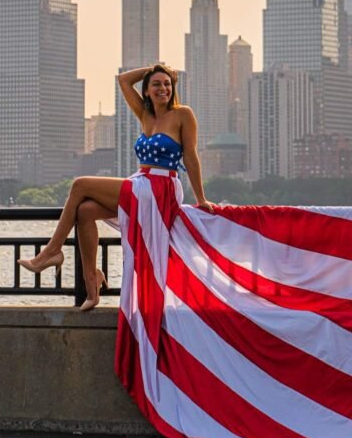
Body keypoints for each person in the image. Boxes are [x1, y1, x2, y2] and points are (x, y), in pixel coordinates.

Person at [17, 64, 212, 310]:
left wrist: (201, 198)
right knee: (85, 211)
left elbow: (191, 157)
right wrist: (153, 68)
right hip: (142, 182)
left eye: (167, 84)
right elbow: (122, 80)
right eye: (156, 84)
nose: (163, 88)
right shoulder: (145, 115)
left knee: (79, 185)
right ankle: (92, 283)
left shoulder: (183, 114)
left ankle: (51, 251)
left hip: (162, 187)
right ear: (147, 90)